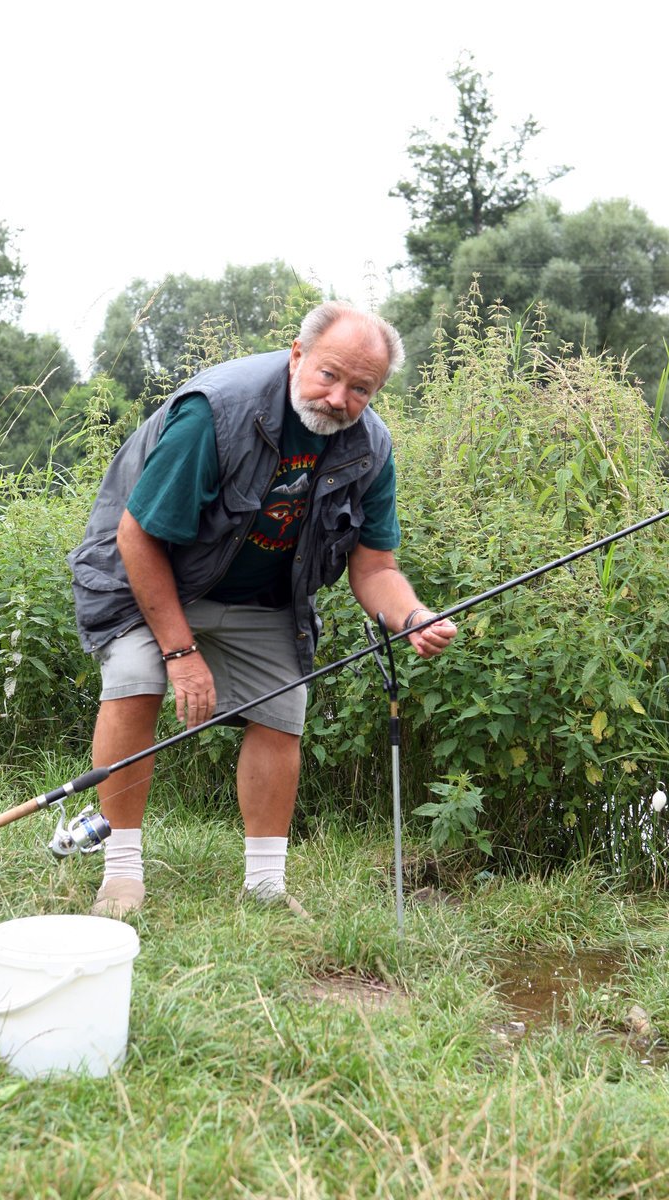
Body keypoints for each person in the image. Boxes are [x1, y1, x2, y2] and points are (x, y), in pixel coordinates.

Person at [68, 301, 457, 918]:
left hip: (262, 598)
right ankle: (121, 875)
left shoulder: (370, 448)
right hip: (149, 577)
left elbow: (376, 568)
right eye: (329, 374)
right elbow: (137, 537)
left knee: (282, 712)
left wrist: (411, 617)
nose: (339, 398)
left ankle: (266, 888)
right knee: (136, 685)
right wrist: (180, 652)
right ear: (297, 354)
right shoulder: (217, 412)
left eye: (361, 388)